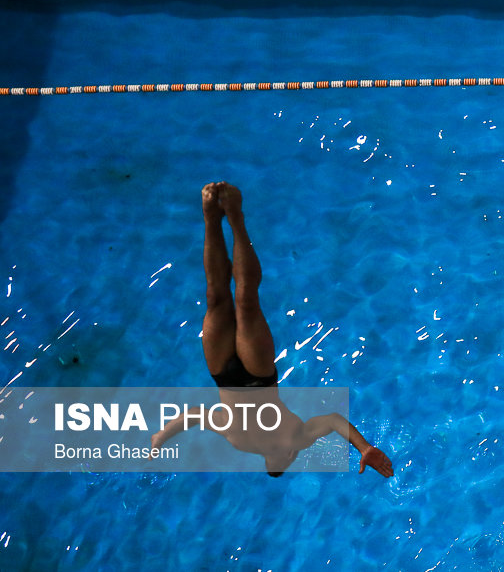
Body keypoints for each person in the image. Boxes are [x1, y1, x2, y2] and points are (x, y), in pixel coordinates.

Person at [152, 182, 393, 478]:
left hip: (223, 376)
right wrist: (363, 447)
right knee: (242, 300)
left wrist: (161, 437)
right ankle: (235, 219)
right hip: (256, 377)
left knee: (219, 297)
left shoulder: (240, 442)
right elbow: (332, 421)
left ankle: (211, 218)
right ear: (289, 457)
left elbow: (196, 417)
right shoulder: (294, 439)